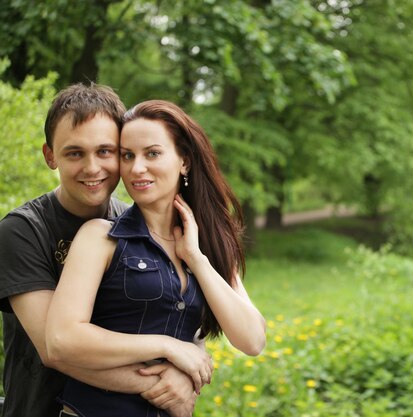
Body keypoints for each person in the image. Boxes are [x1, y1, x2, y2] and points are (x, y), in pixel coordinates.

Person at [45, 100, 267, 416]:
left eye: (152, 153)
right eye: (127, 156)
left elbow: (252, 340)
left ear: (184, 161)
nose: (137, 168)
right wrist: (168, 346)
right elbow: (61, 339)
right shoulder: (100, 237)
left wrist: (195, 257)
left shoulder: (208, 243)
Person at [0, 84, 201, 417]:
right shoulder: (22, 232)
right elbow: (58, 350)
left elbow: (179, 311)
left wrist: (188, 361)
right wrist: (163, 381)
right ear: (50, 156)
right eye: (75, 153)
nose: (92, 167)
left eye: (105, 151)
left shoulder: (134, 222)